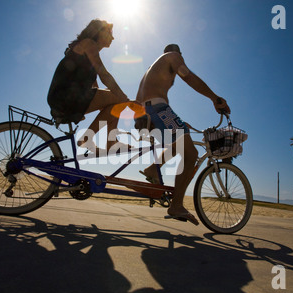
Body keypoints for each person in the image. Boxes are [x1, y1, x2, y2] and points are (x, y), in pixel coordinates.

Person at [136, 44, 231, 225]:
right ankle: (177, 205)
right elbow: (189, 77)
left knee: (178, 144)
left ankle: (151, 170)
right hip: (158, 108)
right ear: (177, 53)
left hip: (146, 113)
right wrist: (214, 98)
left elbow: (140, 98)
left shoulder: (150, 70)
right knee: (192, 154)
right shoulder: (172, 56)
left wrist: (173, 121)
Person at [48, 19, 129, 152]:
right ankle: (91, 139)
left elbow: (95, 88)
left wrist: (109, 110)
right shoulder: (88, 44)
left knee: (115, 103)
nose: (113, 37)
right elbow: (105, 76)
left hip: (64, 98)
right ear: (98, 32)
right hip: (65, 98)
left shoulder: (87, 55)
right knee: (119, 100)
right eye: (109, 32)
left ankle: (110, 141)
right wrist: (125, 99)